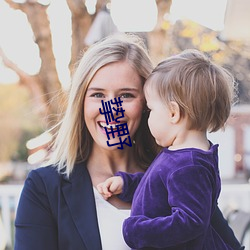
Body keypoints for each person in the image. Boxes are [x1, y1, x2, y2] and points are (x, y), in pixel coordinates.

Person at [14, 34, 243, 250]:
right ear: (81, 103)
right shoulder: (44, 187)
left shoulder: (179, 171)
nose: (111, 110)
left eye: (126, 95)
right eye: (98, 95)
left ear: (148, 104)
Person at [97, 49, 244, 249]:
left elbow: (190, 222)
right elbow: (159, 188)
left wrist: (138, 230)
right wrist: (128, 184)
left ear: (173, 113)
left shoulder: (188, 166)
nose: (148, 117)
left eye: (151, 109)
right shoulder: (183, 157)